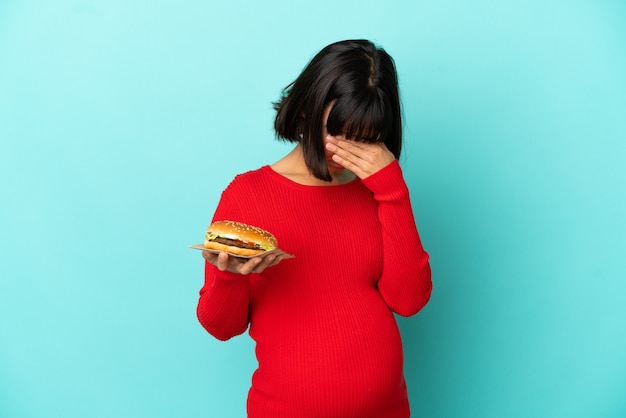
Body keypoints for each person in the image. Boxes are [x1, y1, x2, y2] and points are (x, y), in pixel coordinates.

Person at [197, 39, 432, 418]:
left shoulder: (378, 192)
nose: (345, 153)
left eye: (364, 137)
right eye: (336, 132)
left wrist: (394, 190)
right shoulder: (248, 195)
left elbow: (409, 301)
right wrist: (228, 278)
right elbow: (222, 327)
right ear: (306, 111)